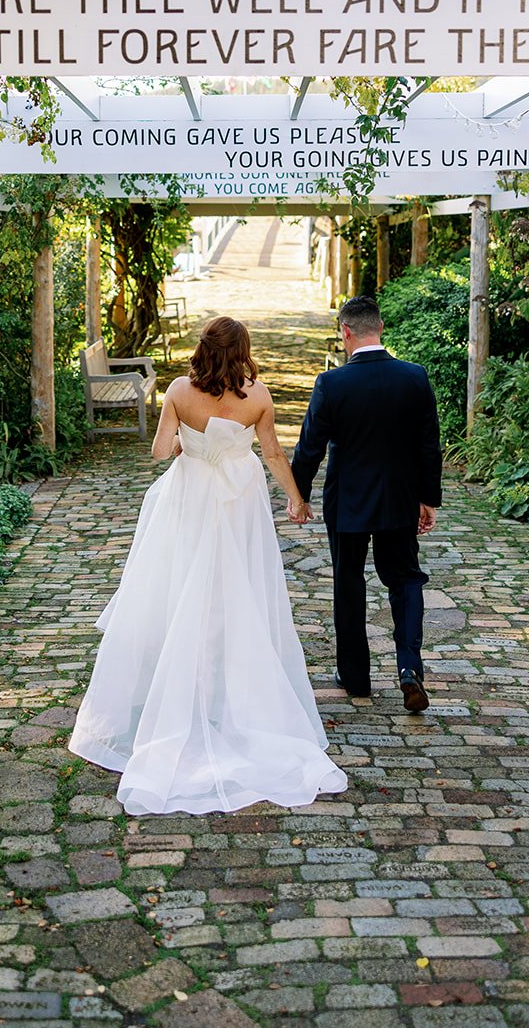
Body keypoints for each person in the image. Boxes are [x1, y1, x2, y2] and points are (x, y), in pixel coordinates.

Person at [69, 316, 347, 816]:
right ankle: (230, 690)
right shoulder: (257, 396)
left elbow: (158, 452)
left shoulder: (178, 390)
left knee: (180, 587)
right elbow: (273, 454)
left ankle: (180, 687)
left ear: (203, 348)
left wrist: (186, 443)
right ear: (243, 351)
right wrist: (297, 500)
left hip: (190, 497)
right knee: (235, 589)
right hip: (239, 501)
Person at [289, 294, 442, 710]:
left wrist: (297, 495)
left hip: (348, 501)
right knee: (406, 579)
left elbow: (309, 448)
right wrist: (427, 498)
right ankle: (410, 668)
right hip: (399, 498)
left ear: (346, 332)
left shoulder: (332, 383)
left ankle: (356, 678)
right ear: (381, 328)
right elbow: (429, 445)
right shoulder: (414, 377)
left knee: (349, 582)